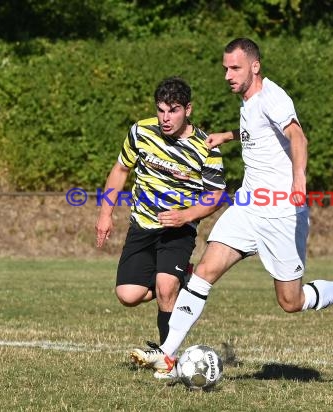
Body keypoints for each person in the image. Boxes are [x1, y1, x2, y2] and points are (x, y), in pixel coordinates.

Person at [130, 38, 333, 379]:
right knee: (203, 274)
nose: (228, 75)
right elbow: (259, 134)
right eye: (225, 68)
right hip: (247, 207)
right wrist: (226, 136)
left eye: (235, 68)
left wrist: (298, 179)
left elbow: (297, 137)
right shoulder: (248, 100)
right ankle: (167, 355)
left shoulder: (273, 97)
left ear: (254, 66)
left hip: (281, 213)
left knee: (291, 301)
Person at [96, 77, 226, 377]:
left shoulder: (205, 147)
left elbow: (216, 195)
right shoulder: (141, 131)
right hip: (141, 224)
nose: (166, 118)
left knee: (166, 287)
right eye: (161, 110)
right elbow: (120, 170)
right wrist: (105, 215)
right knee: (127, 296)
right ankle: (184, 277)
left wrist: (187, 215)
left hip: (178, 230)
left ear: (188, 110)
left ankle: (167, 358)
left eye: (174, 110)